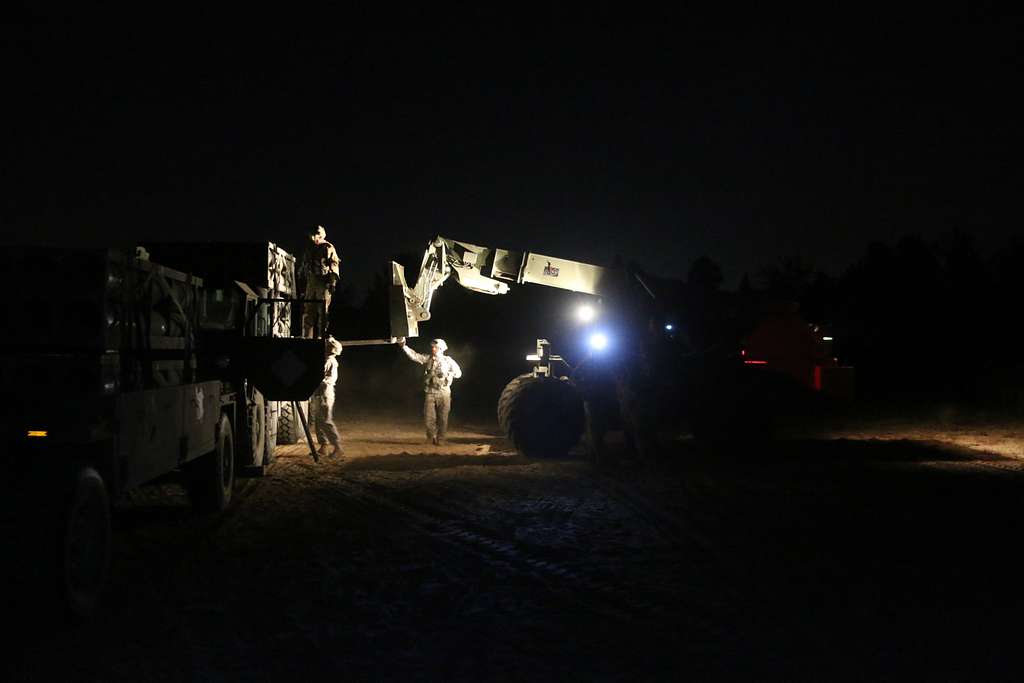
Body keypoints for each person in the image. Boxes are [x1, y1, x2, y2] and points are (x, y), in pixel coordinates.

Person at [397, 337, 462, 445]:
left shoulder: (448, 361)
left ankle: (441, 439)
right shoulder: (428, 359)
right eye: (433, 347)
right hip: (430, 392)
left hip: (443, 392)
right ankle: (430, 438)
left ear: (441, 349)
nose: (433, 349)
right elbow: (415, 356)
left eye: (435, 347)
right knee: (429, 418)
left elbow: (459, 374)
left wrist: (448, 375)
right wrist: (404, 346)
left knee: (443, 418)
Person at [298, 224, 341, 338]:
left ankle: (322, 338)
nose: (313, 237)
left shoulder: (328, 247)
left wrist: (332, 282)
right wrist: (302, 280)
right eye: (312, 235)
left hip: (323, 281)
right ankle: (307, 337)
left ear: (320, 235)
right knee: (308, 311)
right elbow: (304, 266)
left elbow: (334, 265)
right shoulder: (309, 248)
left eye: (315, 234)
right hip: (311, 282)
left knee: (322, 311)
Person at [311, 335, 344, 458]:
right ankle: (324, 446)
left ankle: (338, 447)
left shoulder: (329, 361)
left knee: (325, 420)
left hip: (325, 392)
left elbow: (324, 379)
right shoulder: (329, 359)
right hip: (322, 391)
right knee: (319, 420)